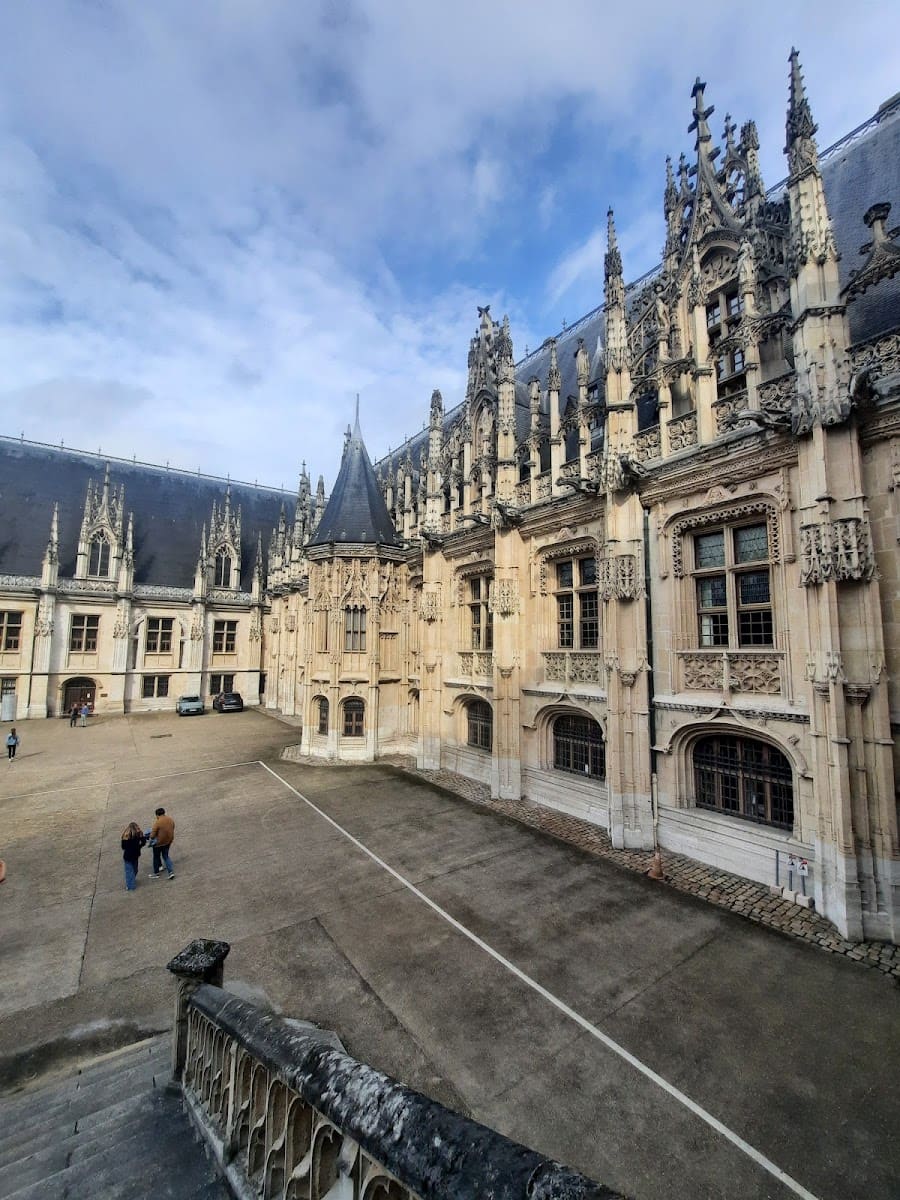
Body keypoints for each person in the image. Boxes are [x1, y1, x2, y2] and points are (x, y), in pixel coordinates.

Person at [148, 807, 175, 880]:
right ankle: (171, 872)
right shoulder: (170, 819)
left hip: (159, 843)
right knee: (166, 856)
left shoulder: (157, 822)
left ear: (157, 815)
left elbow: (152, 835)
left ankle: (156, 873)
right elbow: (173, 827)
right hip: (168, 841)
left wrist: (150, 837)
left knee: (156, 857)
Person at [121, 822, 146, 892]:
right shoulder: (139, 834)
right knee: (135, 869)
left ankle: (130, 886)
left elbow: (123, 847)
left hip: (128, 855)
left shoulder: (125, 836)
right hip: (136, 855)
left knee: (129, 871)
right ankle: (132, 880)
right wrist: (139, 846)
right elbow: (144, 842)